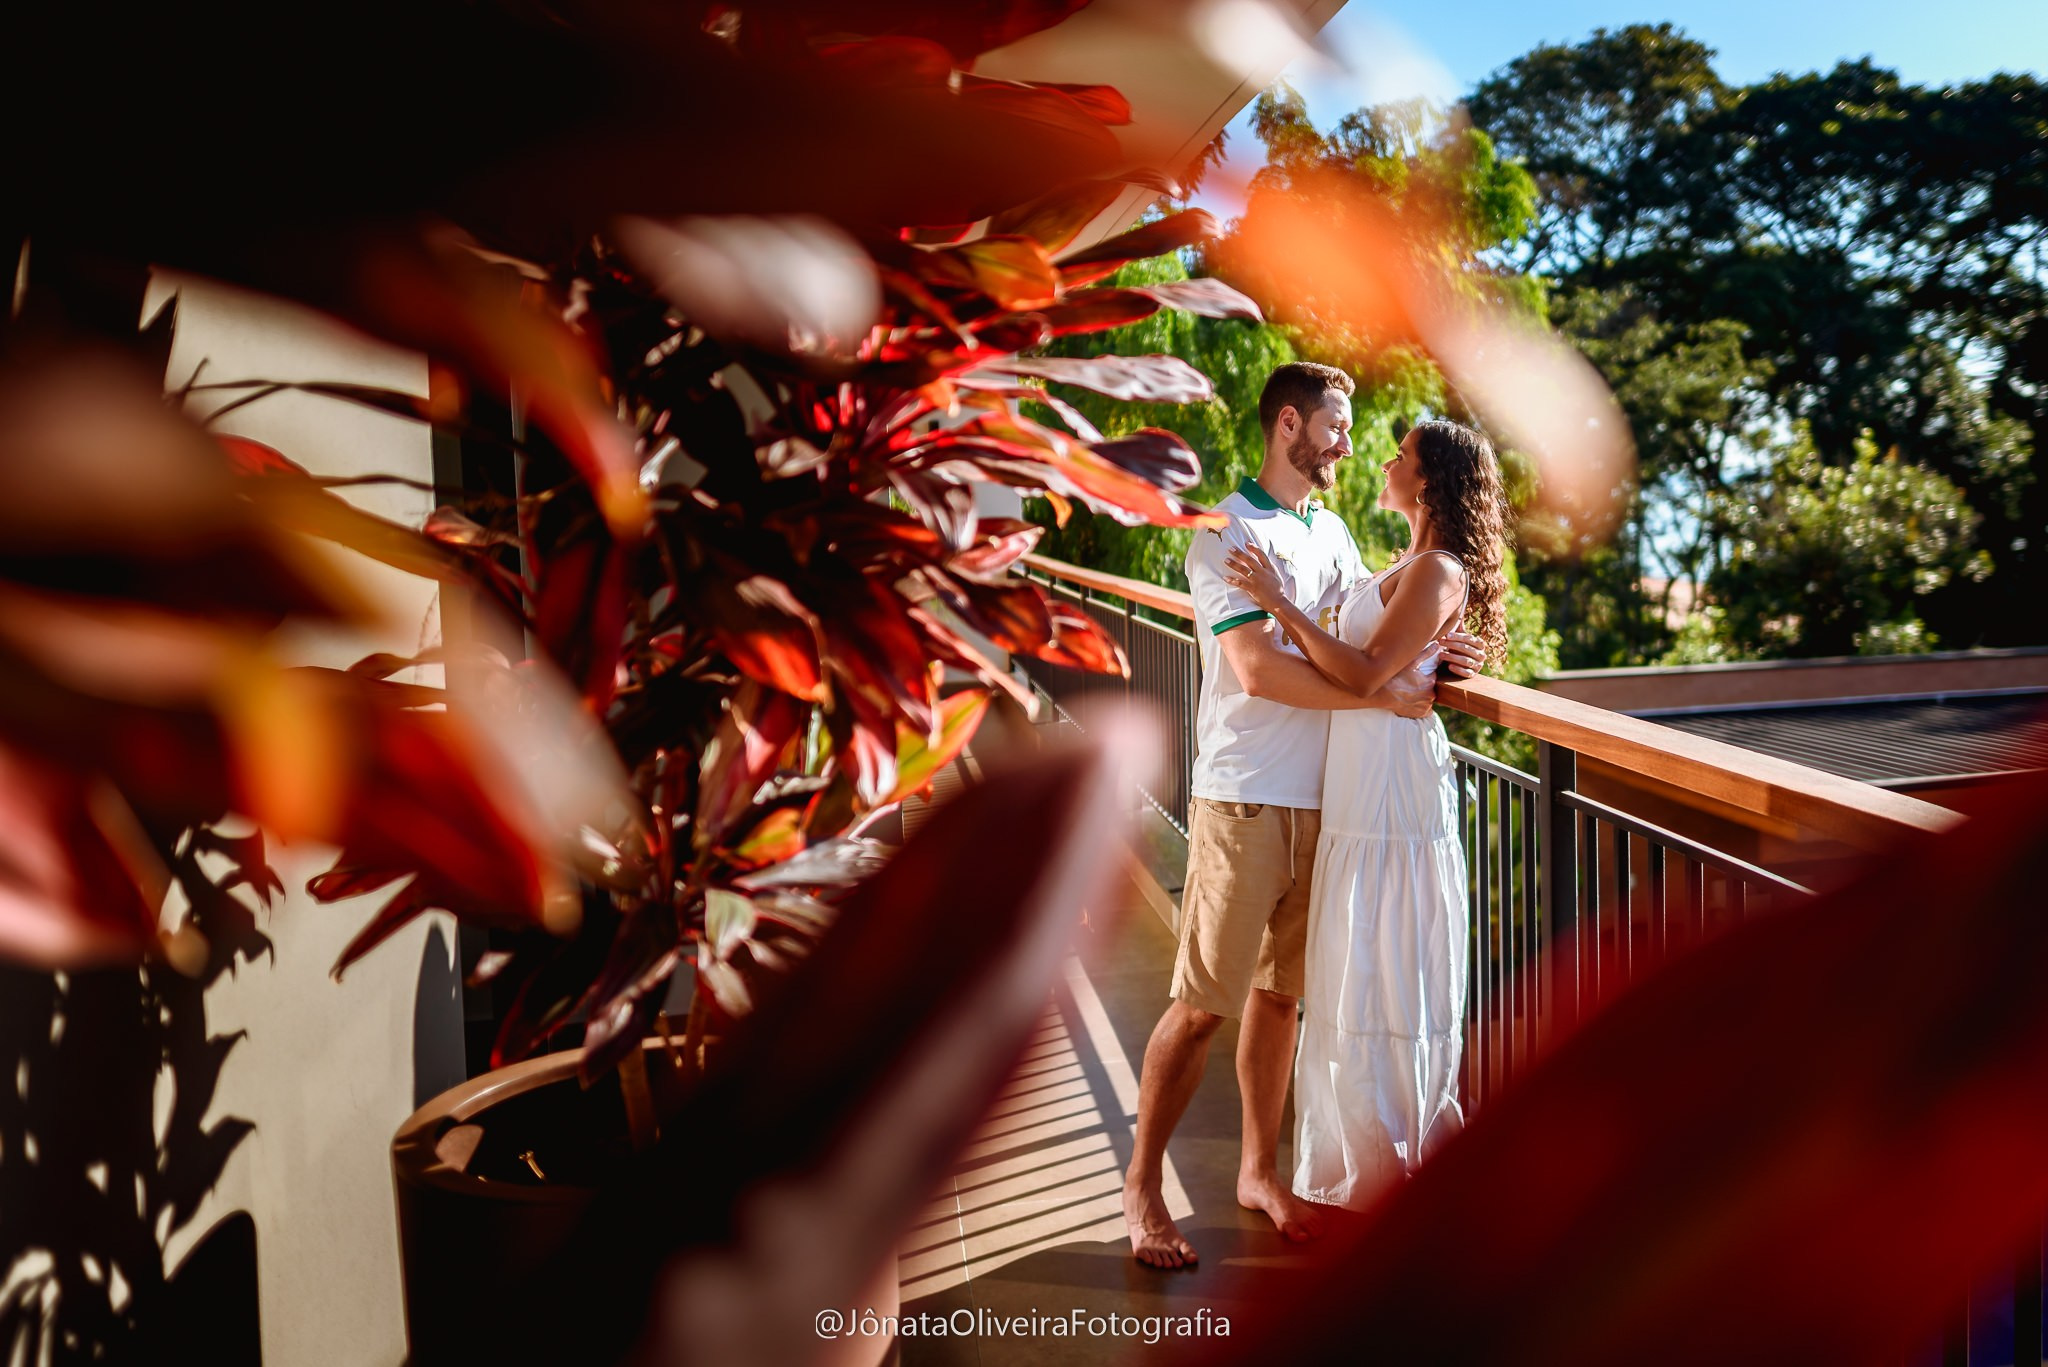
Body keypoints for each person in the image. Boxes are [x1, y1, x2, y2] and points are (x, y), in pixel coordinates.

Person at [1122, 366, 1486, 1269]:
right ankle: (1140, 1189)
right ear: (1290, 424)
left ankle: (1257, 1171)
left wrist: (1442, 659)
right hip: (1247, 794)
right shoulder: (1228, 532)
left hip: (1330, 804)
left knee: (1281, 998)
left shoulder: (1332, 533)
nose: (1350, 444)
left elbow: (1372, 636)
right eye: (1336, 424)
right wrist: (1385, 696)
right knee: (1203, 1003)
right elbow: (1259, 670)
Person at [1222, 418, 1509, 1210]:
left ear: (1427, 481)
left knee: (1386, 960)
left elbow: (1362, 672)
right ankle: (1360, 1152)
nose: (1383, 460)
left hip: (1391, 784)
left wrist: (1277, 600)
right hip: (1357, 779)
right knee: (1355, 963)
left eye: (1400, 455)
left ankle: (1397, 1160)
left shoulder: (1437, 569)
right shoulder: (1405, 562)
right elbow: (1376, 666)